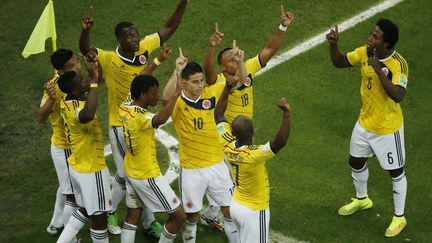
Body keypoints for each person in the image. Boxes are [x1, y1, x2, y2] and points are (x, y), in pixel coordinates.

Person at [79, 1, 190, 236]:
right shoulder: (108, 58)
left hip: (138, 120)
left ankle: (147, 222)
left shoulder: (144, 48)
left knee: (135, 175)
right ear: (119, 39)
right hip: (121, 124)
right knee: (125, 175)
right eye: (130, 36)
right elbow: (86, 49)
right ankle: (109, 212)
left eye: (137, 34)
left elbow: (169, 27)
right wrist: (85, 32)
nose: (136, 38)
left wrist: (183, 3)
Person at [201, 6, 294, 227]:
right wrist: (211, 48)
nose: (237, 59)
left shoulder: (245, 68)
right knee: (231, 180)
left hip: (241, 136)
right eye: (231, 59)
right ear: (223, 67)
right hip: (227, 137)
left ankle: (212, 213)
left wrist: (282, 26)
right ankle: (228, 219)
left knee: (231, 179)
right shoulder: (221, 82)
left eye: (237, 56)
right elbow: (210, 72)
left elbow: (269, 49)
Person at [326, 19, 409, 237]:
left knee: (395, 171)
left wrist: (379, 70)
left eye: (375, 36)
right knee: (355, 161)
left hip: (387, 129)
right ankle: (363, 200)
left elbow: (398, 95)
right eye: (371, 34)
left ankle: (399, 217)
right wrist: (333, 45)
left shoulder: (398, 64)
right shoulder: (365, 52)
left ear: (387, 43)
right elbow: (340, 62)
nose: (370, 38)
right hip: (364, 124)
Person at [162, 48, 245, 243]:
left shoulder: (211, 92)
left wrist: (240, 62)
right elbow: (165, 98)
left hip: (217, 165)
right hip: (192, 170)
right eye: (195, 82)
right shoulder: (178, 102)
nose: (200, 85)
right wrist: (177, 70)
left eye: (201, 81)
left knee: (229, 212)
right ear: (184, 83)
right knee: (191, 216)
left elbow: (240, 82)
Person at [214, 75, 291, 243]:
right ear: (253, 132)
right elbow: (280, 142)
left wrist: (227, 88)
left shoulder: (226, 142)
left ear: (233, 133)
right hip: (254, 210)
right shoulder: (254, 155)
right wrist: (286, 114)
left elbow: (219, 115)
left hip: (236, 205)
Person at [119, 74, 186, 243]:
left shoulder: (124, 107)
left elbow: (136, 84)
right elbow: (161, 118)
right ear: (142, 95)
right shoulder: (142, 118)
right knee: (178, 216)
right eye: (154, 93)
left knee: (132, 216)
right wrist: (176, 93)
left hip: (131, 170)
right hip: (147, 176)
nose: (157, 96)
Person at [56, 54, 112, 243]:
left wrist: (95, 70)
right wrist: (94, 82)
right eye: (82, 81)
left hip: (77, 166)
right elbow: (88, 114)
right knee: (99, 215)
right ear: (75, 89)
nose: (86, 81)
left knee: (86, 209)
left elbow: (96, 82)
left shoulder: (68, 99)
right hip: (91, 168)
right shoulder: (77, 109)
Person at [37, 49, 81, 236]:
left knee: (66, 187)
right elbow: (40, 117)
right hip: (63, 147)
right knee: (71, 194)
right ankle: (68, 238)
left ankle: (55, 224)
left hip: (75, 145)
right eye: (74, 62)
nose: (78, 64)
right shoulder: (53, 87)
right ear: (63, 69)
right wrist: (51, 100)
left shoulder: (74, 80)